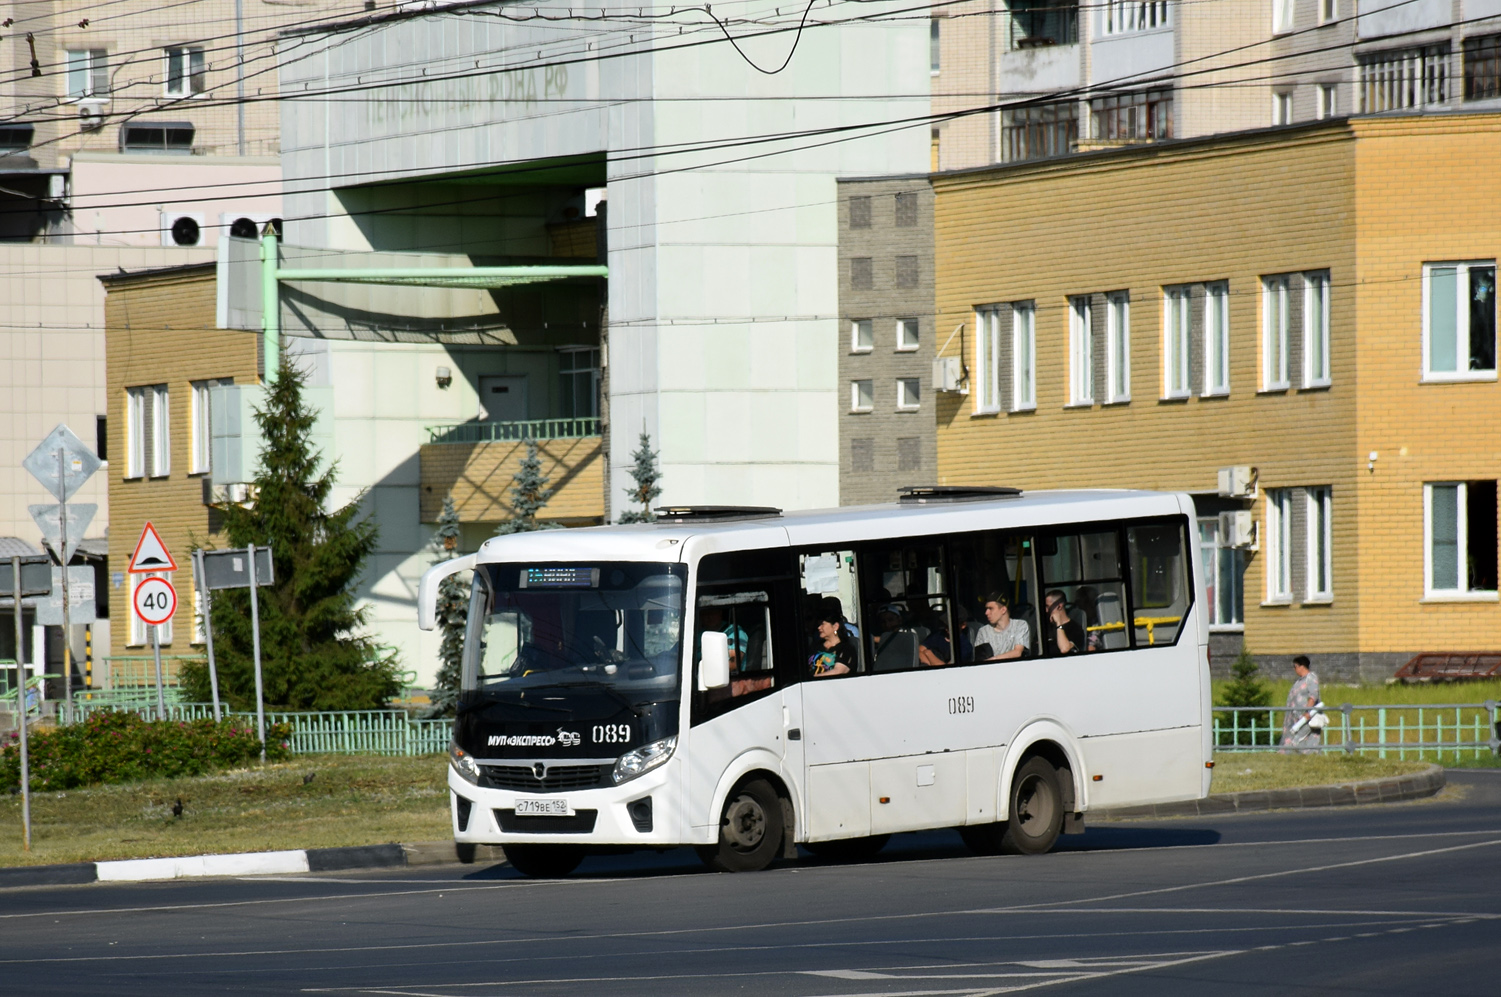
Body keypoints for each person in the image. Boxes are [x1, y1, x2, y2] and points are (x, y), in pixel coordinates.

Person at [1281, 655, 1323, 752]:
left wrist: (1307, 712)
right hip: (1296, 717)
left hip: (1305, 718)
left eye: (1295, 667)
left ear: (1301, 666)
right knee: (1294, 738)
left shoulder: (1311, 678)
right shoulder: (1299, 681)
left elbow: (1313, 695)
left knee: (1303, 740)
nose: (1294, 669)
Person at [973, 593, 1029, 660]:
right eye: (986, 609)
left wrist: (994, 659)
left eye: (990, 608)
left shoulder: (1020, 625)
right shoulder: (983, 631)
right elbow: (980, 660)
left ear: (1003, 610)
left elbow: (1017, 652)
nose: (986, 612)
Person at [808, 610, 857, 677]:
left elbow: (839, 671)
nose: (819, 627)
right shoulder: (815, 646)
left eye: (822, 624)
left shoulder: (846, 649)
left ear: (835, 626)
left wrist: (811, 679)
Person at [1043, 590, 1086, 656]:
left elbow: (1064, 649)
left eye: (1048, 606)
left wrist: (1059, 625)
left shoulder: (1075, 629)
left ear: (1059, 606)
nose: (1046, 610)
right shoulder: (1045, 626)